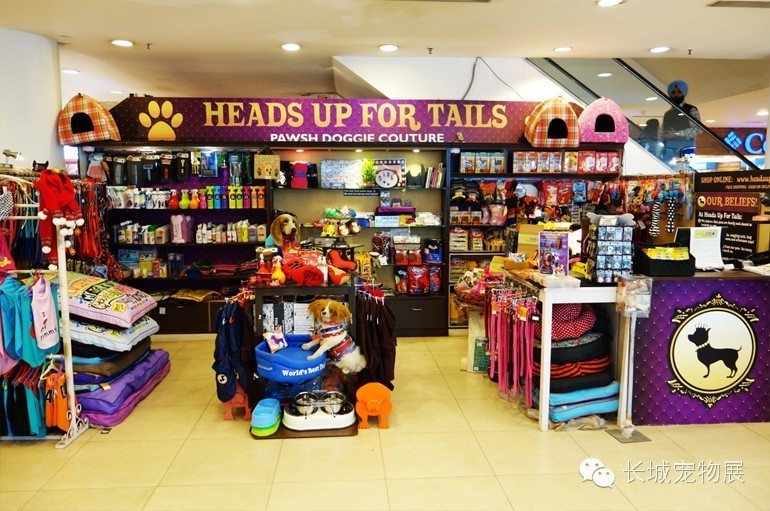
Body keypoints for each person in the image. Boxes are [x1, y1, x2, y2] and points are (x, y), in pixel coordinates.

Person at [662, 80, 702, 160]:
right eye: (673, 93)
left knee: (683, 167)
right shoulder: (667, 113)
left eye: (679, 92)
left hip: (685, 149)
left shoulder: (691, 109)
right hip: (668, 149)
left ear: (683, 93)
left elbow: (698, 129)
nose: (676, 95)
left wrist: (676, 133)